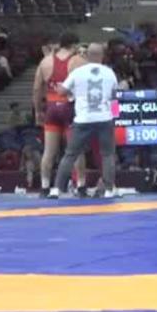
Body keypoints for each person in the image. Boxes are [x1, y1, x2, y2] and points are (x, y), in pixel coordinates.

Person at [49, 43, 119, 199]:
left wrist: (58, 87)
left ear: (87, 56)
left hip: (83, 119)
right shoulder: (110, 73)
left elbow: (62, 91)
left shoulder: (78, 72)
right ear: (102, 56)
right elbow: (114, 98)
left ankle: (56, 190)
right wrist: (115, 116)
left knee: (70, 155)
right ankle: (109, 190)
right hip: (104, 118)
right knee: (107, 155)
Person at [33, 32, 86, 197]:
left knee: (49, 151)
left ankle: (44, 187)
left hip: (51, 108)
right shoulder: (78, 61)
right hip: (70, 108)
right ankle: (81, 186)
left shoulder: (45, 62)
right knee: (76, 150)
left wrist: (38, 110)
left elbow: (36, 88)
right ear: (74, 45)